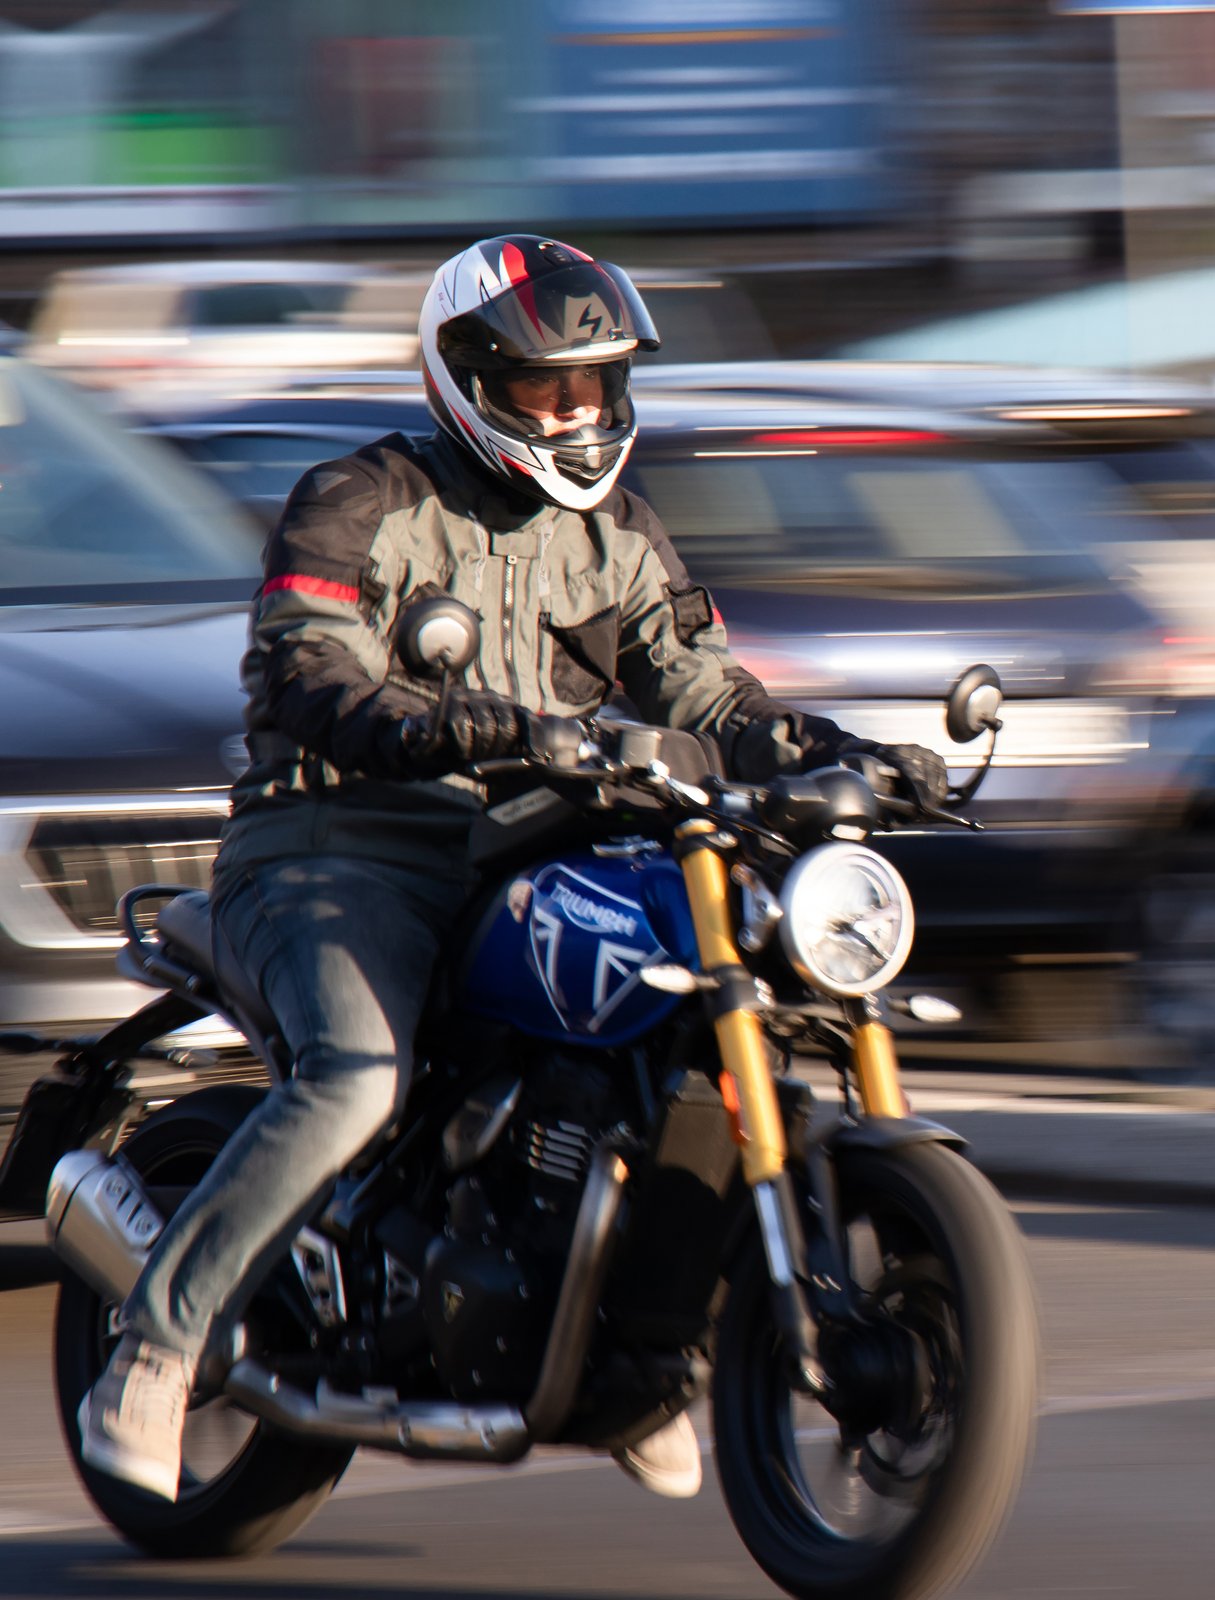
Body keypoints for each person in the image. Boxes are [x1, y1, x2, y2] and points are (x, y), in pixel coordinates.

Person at [77, 236, 948, 1504]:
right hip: (338, 843)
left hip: (539, 839)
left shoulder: (628, 538)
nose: (581, 415)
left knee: (689, 1029)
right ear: (472, 381)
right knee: (356, 1083)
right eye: (552, 390)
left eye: (597, 387)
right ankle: (155, 1351)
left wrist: (845, 752)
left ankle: (633, 1353)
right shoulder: (359, 498)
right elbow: (304, 667)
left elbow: (705, 688)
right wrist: (445, 724)